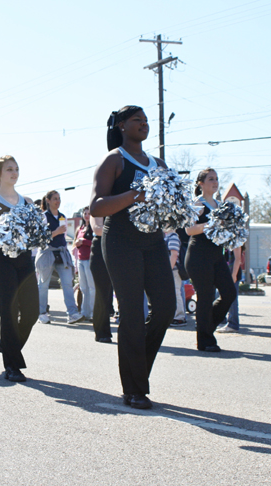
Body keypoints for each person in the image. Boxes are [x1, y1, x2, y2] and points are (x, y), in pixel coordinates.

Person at [90, 105, 175, 409]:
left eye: (146, 120)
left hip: (152, 242)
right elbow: (97, 207)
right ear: (122, 126)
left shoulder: (159, 163)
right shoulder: (114, 160)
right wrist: (134, 195)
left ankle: (137, 370)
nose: (144, 123)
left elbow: (170, 201)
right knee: (132, 312)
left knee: (166, 308)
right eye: (137, 120)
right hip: (121, 241)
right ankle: (133, 388)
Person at [0, 155, 39, 382]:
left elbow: (37, 231)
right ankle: (12, 366)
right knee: (9, 310)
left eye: (16, 169)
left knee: (32, 311)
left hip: (25, 260)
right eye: (9, 169)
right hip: (1, 261)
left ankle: (8, 344)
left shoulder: (27, 201)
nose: (14, 173)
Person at [184, 168, 237, 352]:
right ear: (201, 184)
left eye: (216, 179)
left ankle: (206, 329)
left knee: (229, 292)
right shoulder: (197, 203)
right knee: (205, 297)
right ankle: (205, 341)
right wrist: (211, 224)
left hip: (217, 254)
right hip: (198, 255)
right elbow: (189, 230)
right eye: (210, 179)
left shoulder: (220, 204)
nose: (215, 182)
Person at [35, 190, 84, 324]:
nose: (58, 201)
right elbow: (40, 238)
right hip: (47, 252)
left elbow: (64, 236)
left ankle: (72, 313)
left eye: (59, 198)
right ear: (48, 201)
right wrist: (55, 232)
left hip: (61, 252)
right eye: (55, 199)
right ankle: (42, 312)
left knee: (67, 283)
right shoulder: (43, 217)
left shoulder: (62, 216)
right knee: (43, 284)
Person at [89, 215, 113, 342]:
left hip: (120, 249)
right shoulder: (98, 207)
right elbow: (97, 229)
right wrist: (119, 230)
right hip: (100, 251)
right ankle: (102, 331)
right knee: (103, 293)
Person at [73, 206, 95, 321]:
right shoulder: (80, 228)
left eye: (89, 213)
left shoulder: (94, 228)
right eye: (85, 213)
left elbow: (95, 242)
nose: (86, 215)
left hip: (89, 259)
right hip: (81, 260)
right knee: (83, 288)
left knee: (92, 287)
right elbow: (75, 245)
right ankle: (84, 312)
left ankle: (93, 313)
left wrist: (84, 242)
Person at [163, 228, 186, 326]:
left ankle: (179, 317)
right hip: (171, 270)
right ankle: (174, 316)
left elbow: (174, 255)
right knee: (172, 293)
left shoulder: (173, 237)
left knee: (176, 292)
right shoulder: (168, 237)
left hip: (173, 270)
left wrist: (167, 271)